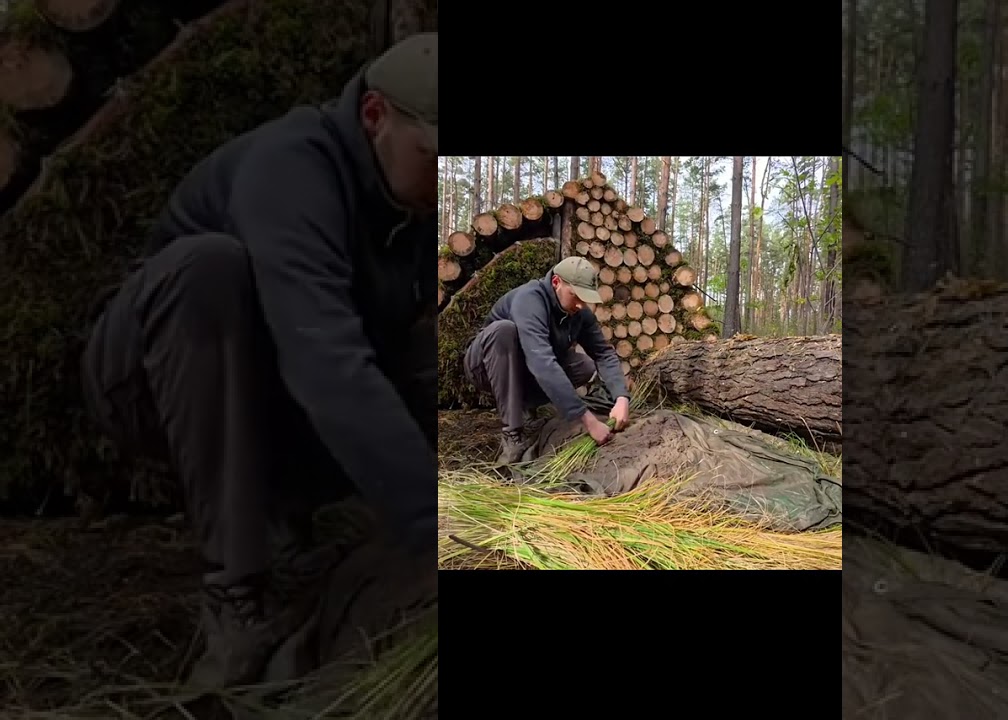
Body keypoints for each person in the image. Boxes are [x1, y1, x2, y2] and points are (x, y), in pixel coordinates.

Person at [78, 33, 439, 689]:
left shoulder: (411, 204)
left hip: (277, 390)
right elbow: (325, 358)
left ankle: (284, 522)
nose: (445, 183)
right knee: (208, 270)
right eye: (433, 159)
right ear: (374, 117)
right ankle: (234, 592)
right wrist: (432, 523)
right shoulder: (292, 168)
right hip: (151, 380)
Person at [465, 256, 632, 464]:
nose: (580, 305)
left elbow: (603, 353)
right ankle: (512, 433)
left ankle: (525, 406)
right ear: (556, 283)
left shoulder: (579, 312)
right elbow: (542, 362)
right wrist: (588, 420)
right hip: (485, 366)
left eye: (585, 298)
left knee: (584, 366)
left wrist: (621, 397)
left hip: (526, 369)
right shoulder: (530, 299)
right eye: (576, 296)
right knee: (503, 331)